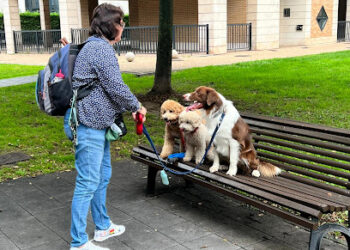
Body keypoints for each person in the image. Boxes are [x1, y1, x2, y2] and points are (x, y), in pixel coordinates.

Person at [63, 4, 147, 250]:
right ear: (112, 26)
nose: (123, 27)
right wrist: (136, 106)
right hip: (89, 125)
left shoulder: (96, 46)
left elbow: (108, 87)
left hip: (99, 125)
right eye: (121, 23)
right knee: (88, 182)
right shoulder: (100, 49)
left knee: (102, 177)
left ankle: (102, 227)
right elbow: (116, 86)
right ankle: (78, 243)